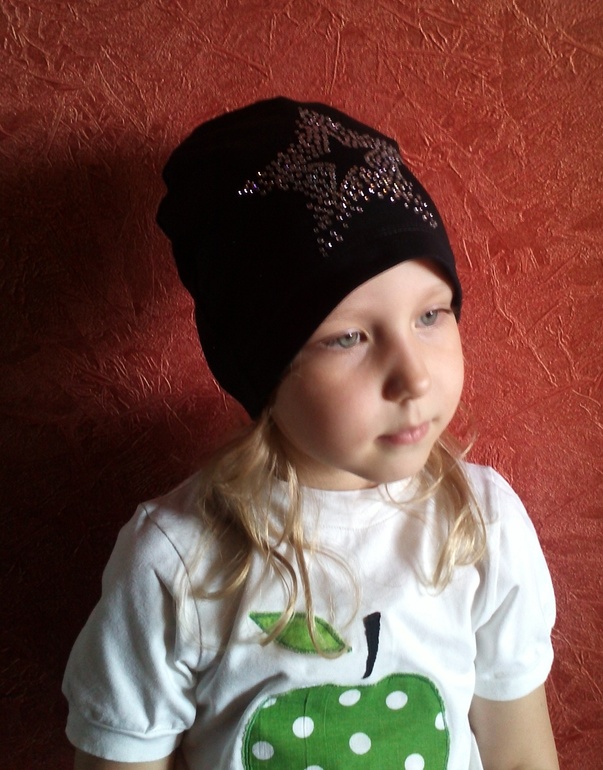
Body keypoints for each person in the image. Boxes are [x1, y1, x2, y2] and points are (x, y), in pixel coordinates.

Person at [63, 97, 559, 770]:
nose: (413, 376)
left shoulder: (481, 524)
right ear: (263, 367)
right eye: (347, 337)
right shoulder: (176, 561)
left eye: (430, 315)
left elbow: (521, 755)